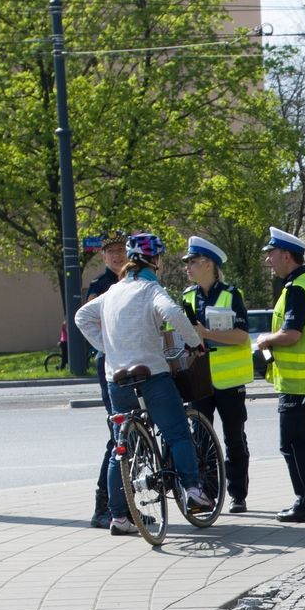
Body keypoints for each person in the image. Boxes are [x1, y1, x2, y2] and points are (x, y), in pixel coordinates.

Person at [75, 233, 215, 535]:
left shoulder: (111, 293)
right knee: (177, 433)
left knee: (120, 447)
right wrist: (194, 343)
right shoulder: (151, 288)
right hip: (152, 375)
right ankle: (193, 491)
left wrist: (107, 347)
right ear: (155, 259)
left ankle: (120, 518)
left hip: (117, 380)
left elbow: (81, 317)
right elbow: (174, 314)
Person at [255, 227, 305, 522]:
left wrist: (265, 340)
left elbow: (292, 334)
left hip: (298, 382)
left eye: (271, 254)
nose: (268, 260)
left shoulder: (297, 288)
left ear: (286, 255)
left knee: (294, 445)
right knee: (304, 444)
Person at [181, 236, 252, 514]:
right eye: (187, 262)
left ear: (209, 264)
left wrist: (206, 333)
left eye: (192, 262)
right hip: (198, 379)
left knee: (234, 438)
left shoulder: (231, 294)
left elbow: (242, 336)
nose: (187, 267)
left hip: (229, 381)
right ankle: (208, 495)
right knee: (201, 439)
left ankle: (238, 494)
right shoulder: (187, 296)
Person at [85, 229, 129, 528]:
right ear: (103, 255)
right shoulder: (99, 286)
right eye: (111, 251)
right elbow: (90, 324)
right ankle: (105, 506)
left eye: (121, 249)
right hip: (110, 363)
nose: (117, 255)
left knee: (133, 434)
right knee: (118, 433)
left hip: (135, 362)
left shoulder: (136, 281)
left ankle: (126, 508)